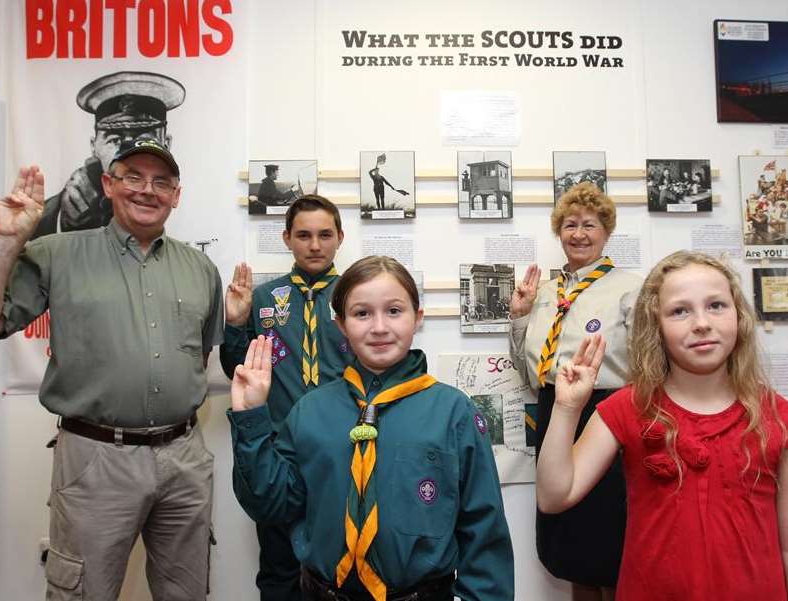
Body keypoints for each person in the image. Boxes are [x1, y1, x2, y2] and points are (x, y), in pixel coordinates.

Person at [0, 138, 224, 601]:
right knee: (82, 592)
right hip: (96, 459)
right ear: (108, 184)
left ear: (176, 194)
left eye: (161, 181)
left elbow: (199, 358)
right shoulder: (55, 253)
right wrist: (5, 241)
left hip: (184, 456)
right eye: (133, 177)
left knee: (188, 592)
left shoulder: (201, 269)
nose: (148, 190)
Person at [228, 256, 514, 601]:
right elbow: (271, 506)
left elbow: (484, 530)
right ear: (341, 324)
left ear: (417, 317)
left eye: (394, 311)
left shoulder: (454, 412)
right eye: (362, 313)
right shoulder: (310, 411)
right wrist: (251, 418)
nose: (379, 327)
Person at [537, 251, 788, 601]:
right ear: (657, 327)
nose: (701, 323)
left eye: (716, 305)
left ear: (739, 316)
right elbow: (554, 495)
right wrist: (566, 408)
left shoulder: (776, 415)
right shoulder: (629, 407)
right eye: (680, 311)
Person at [508, 182, 641, 601]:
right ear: (558, 231)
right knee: (568, 532)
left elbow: (647, 364)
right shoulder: (546, 293)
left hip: (607, 414)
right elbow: (525, 368)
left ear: (606, 231)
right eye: (570, 225)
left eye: (589, 225)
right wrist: (519, 316)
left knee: (608, 532)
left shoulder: (629, 288)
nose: (579, 234)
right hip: (554, 410)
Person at [221, 194, 352, 601]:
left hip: (344, 453)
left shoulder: (356, 295)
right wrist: (236, 323)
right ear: (287, 238)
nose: (315, 245)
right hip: (282, 455)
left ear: (340, 238)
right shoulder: (264, 299)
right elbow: (235, 370)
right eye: (304, 235)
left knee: (345, 566)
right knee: (279, 570)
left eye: (324, 234)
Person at [31, 71, 185, 238]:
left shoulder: (176, 195)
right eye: (115, 140)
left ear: (166, 144)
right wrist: (63, 217)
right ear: (94, 146)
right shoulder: (69, 202)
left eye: (142, 138)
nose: (127, 151)